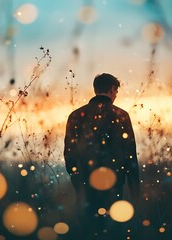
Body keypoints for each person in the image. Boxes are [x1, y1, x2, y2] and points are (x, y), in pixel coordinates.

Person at [64, 73, 140, 239]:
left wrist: (78, 180)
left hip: (85, 186)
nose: (116, 95)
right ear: (112, 89)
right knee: (112, 232)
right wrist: (135, 190)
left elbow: (69, 154)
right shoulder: (121, 115)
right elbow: (130, 155)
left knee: (89, 232)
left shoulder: (76, 116)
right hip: (113, 185)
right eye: (116, 91)